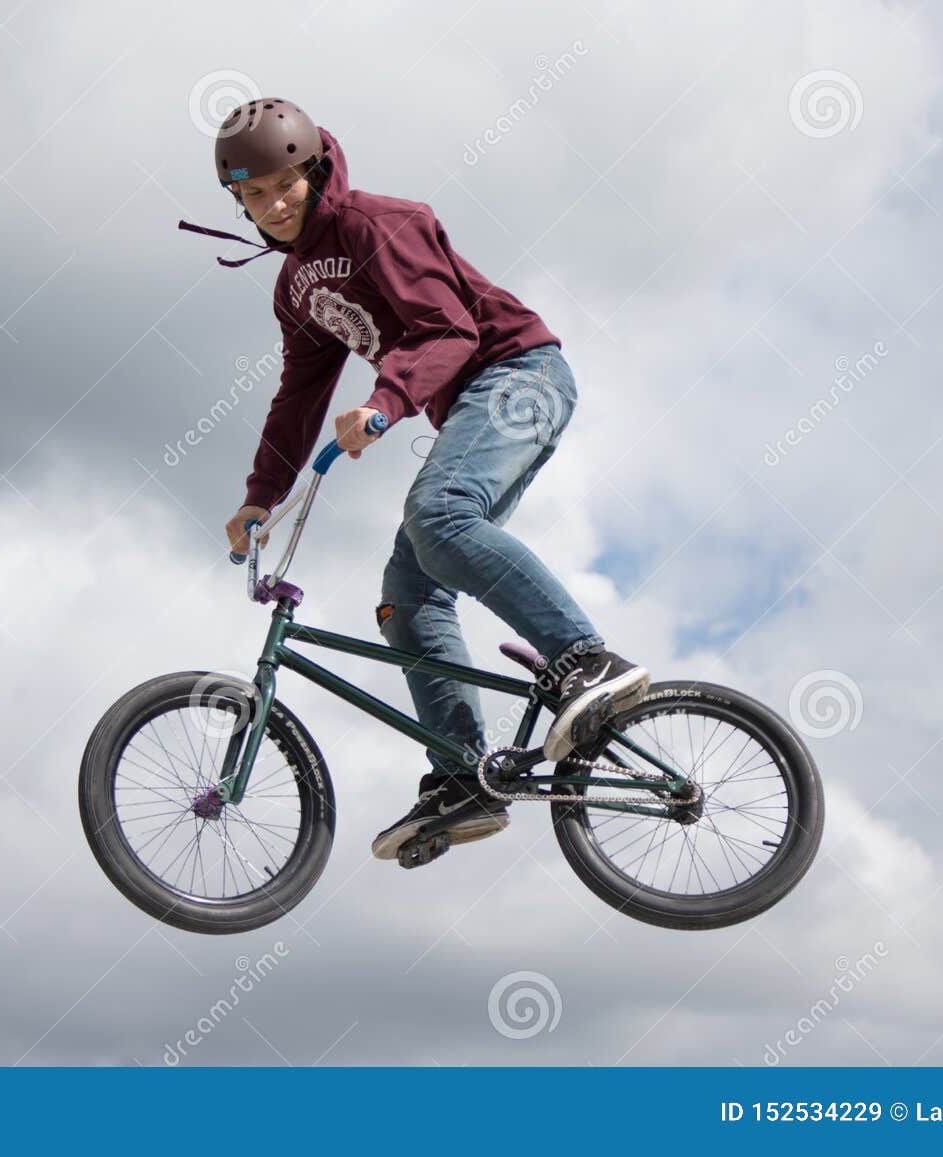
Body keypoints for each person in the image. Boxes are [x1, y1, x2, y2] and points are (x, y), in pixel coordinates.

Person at [181, 98, 650, 862]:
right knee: (408, 595)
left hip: (520, 376)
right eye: (253, 196)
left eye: (283, 187)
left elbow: (450, 329)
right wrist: (260, 495)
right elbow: (300, 392)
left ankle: (587, 657)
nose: (272, 207)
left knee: (440, 512)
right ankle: (464, 773)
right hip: (471, 404)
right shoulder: (294, 286)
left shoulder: (378, 223)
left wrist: (385, 401)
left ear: (313, 170)